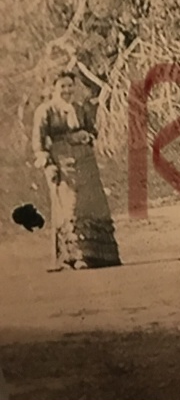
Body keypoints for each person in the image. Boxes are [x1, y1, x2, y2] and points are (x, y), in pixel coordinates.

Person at [32, 71, 122, 270]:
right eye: (62, 86)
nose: (67, 90)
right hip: (62, 163)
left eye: (70, 86)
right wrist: (49, 163)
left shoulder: (80, 109)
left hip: (86, 163)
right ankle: (73, 256)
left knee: (91, 206)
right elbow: (38, 143)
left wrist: (86, 136)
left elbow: (93, 131)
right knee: (70, 207)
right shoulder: (46, 111)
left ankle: (97, 255)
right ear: (54, 88)